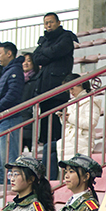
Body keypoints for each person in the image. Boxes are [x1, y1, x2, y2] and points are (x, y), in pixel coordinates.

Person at [32, 12, 78, 178]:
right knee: (46, 136)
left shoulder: (66, 37)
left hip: (59, 93)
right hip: (44, 93)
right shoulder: (44, 40)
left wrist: (45, 53)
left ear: (58, 22)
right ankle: (47, 173)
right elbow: (36, 58)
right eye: (46, 23)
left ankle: (58, 172)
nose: (48, 25)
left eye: (51, 22)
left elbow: (56, 52)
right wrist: (47, 53)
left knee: (57, 135)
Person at [0, 42, 25, 185]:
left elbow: (12, 95)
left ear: (9, 53)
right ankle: (5, 189)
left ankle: (11, 190)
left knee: (9, 160)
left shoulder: (15, 70)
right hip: (2, 120)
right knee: (2, 162)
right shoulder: (7, 71)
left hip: (9, 119)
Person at [59, 73, 102, 160]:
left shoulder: (90, 101)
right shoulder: (71, 102)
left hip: (83, 138)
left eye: (72, 88)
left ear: (80, 84)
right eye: (69, 89)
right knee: (49, 148)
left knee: (49, 149)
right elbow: (68, 124)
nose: (71, 92)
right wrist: (64, 119)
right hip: (71, 137)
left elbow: (91, 123)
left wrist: (69, 118)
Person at [20, 52, 41, 150]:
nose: (25, 63)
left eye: (29, 61)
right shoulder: (17, 79)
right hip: (19, 117)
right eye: (23, 61)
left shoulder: (37, 80)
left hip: (29, 117)